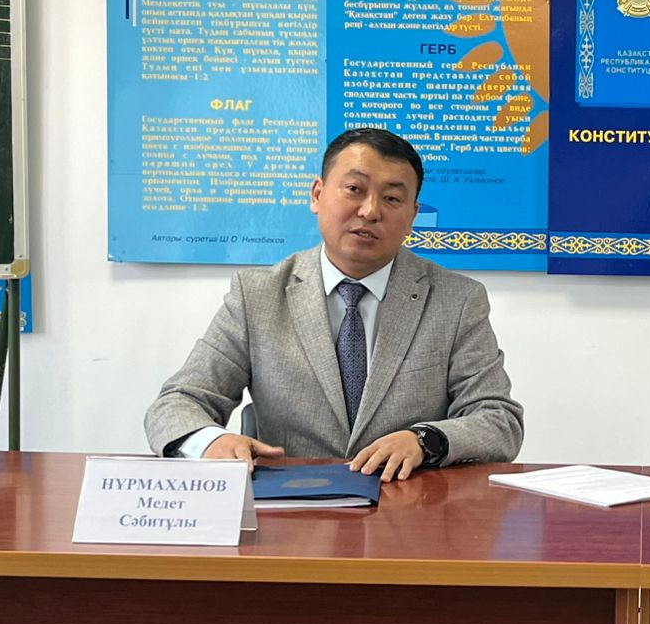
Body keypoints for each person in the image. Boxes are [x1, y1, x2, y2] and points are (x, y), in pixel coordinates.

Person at [145, 127, 523, 482]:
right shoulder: (257, 295)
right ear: (317, 195)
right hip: (292, 507)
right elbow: (178, 402)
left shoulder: (456, 299)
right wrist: (210, 441)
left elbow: (499, 420)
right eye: (354, 189)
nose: (370, 211)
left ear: (412, 216)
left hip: (410, 506)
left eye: (392, 198)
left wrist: (425, 441)